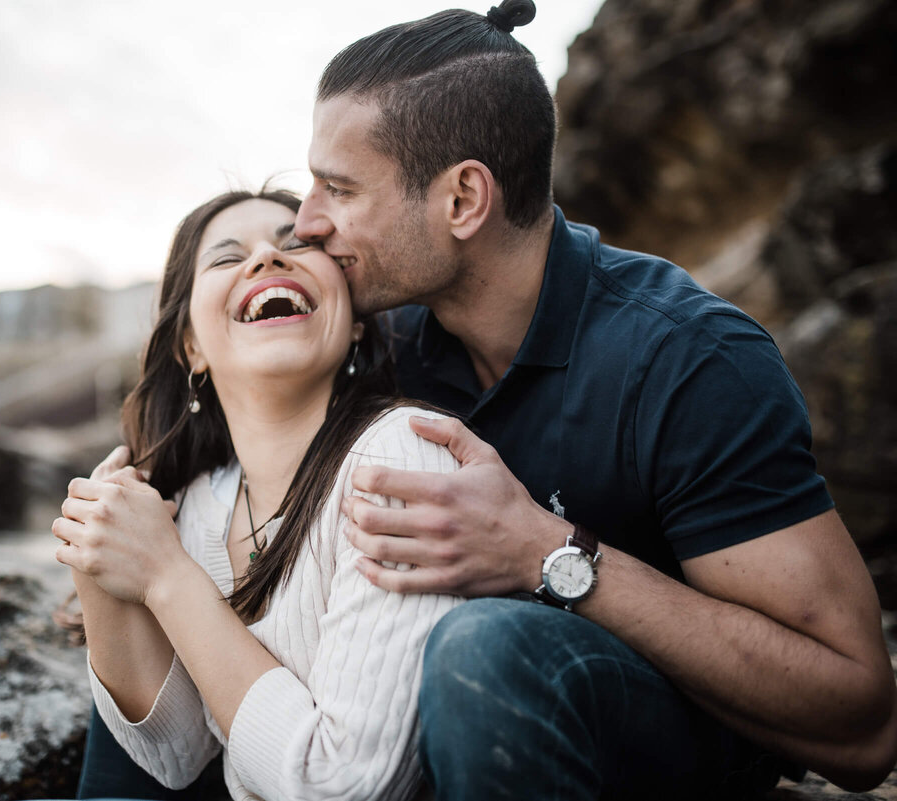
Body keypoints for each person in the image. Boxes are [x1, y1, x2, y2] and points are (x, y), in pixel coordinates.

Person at [285, 1, 897, 799]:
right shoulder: (387, 340)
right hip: (408, 732)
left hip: (660, 743)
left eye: (339, 189)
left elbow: (860, 720)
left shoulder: (686, 360)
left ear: (464, 200)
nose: (307, 221)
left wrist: (546, 552)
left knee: (485, 651)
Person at [51, 188, 462, 801]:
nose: (267, 258)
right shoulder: (194, 506)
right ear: (191, 347)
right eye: (225, 258)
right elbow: (174, 759)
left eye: (297, 243)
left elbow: (340, 786)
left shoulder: (396, 458)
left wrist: (165, 576)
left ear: (352, 323)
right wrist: (100, 564)